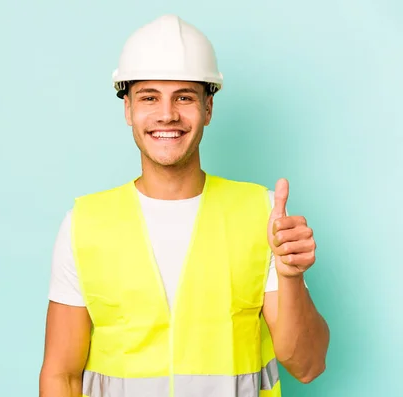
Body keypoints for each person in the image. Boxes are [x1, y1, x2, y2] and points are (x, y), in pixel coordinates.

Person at [39, 14, 330, 397]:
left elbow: (307, 365)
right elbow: (61, 375)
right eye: (149, 97)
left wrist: (290, 278)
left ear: (208, 108)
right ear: (127, 109)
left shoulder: (261, 215)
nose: (166, 114)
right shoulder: (85, 225)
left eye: (184, 97)